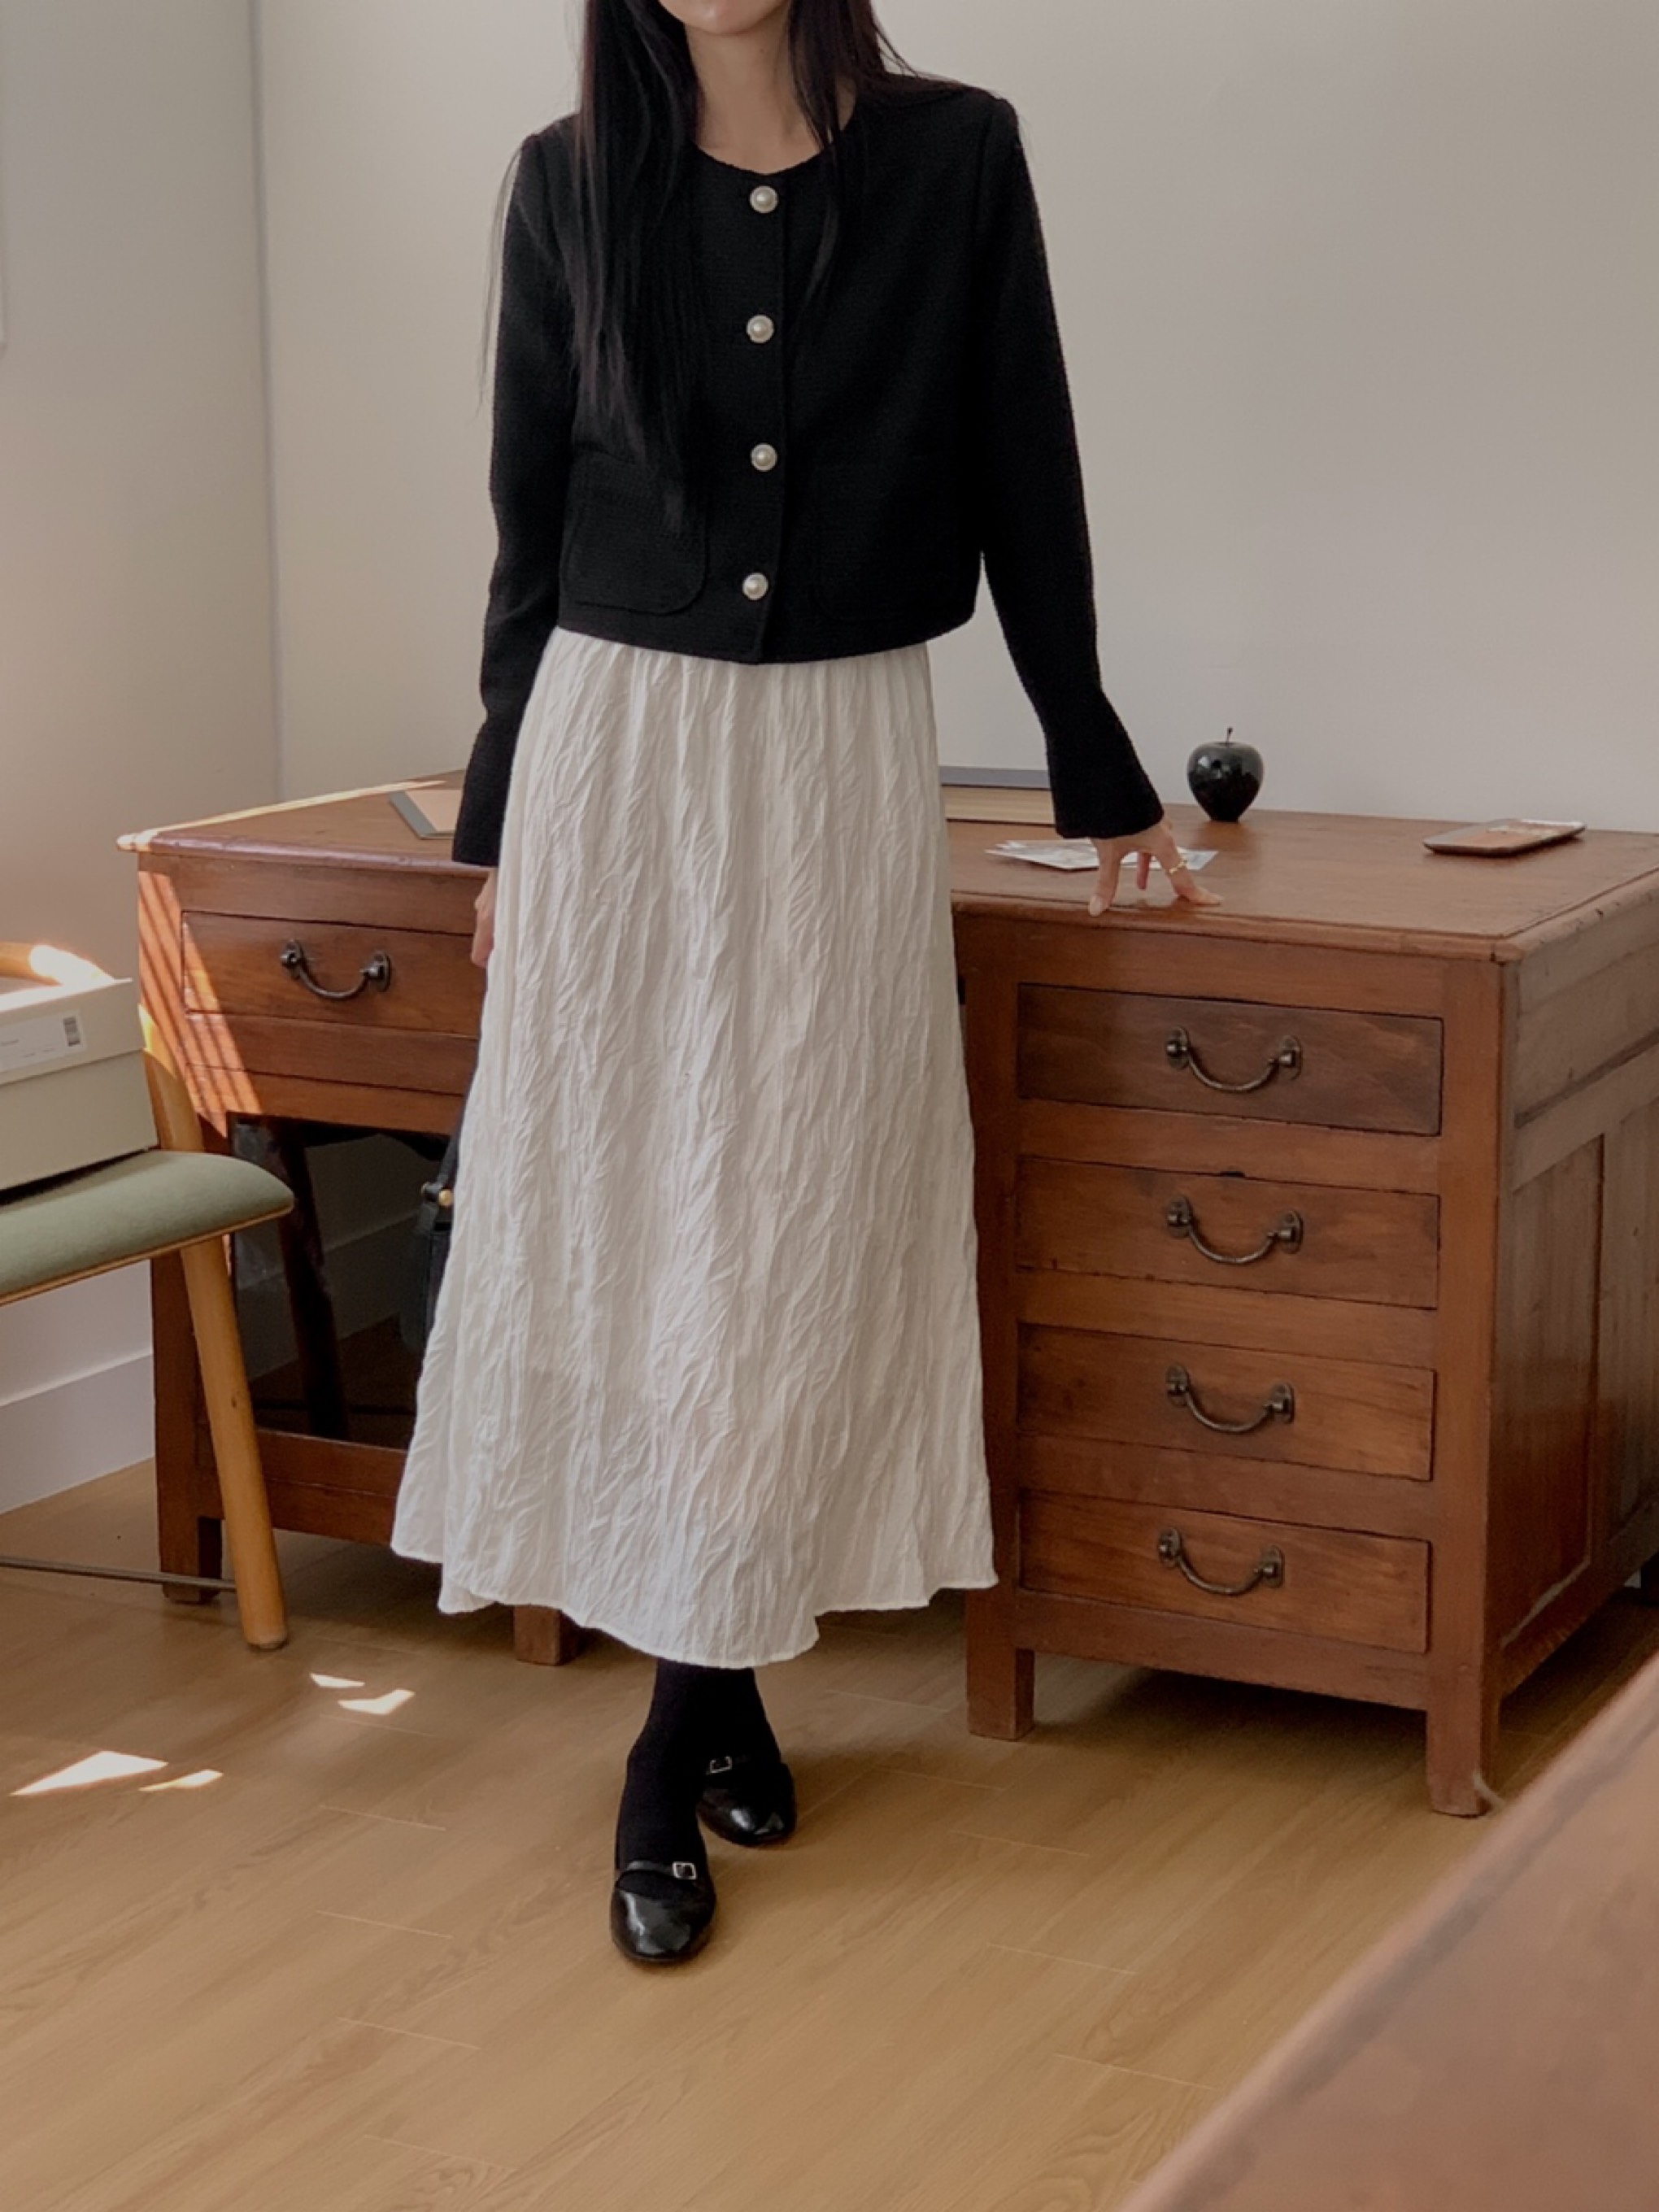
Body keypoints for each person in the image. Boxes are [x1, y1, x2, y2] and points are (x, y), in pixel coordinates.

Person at [391, 0, 1219, 1970]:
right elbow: (529, 520)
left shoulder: (954, 157)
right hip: (620, 760)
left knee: (789, 1229)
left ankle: (686, 1703)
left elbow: (1024, 458)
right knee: (645, 1229)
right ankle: (701, 1709)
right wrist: (500, 829)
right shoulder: (567, 187)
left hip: (841, 754)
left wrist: (1096, 760)